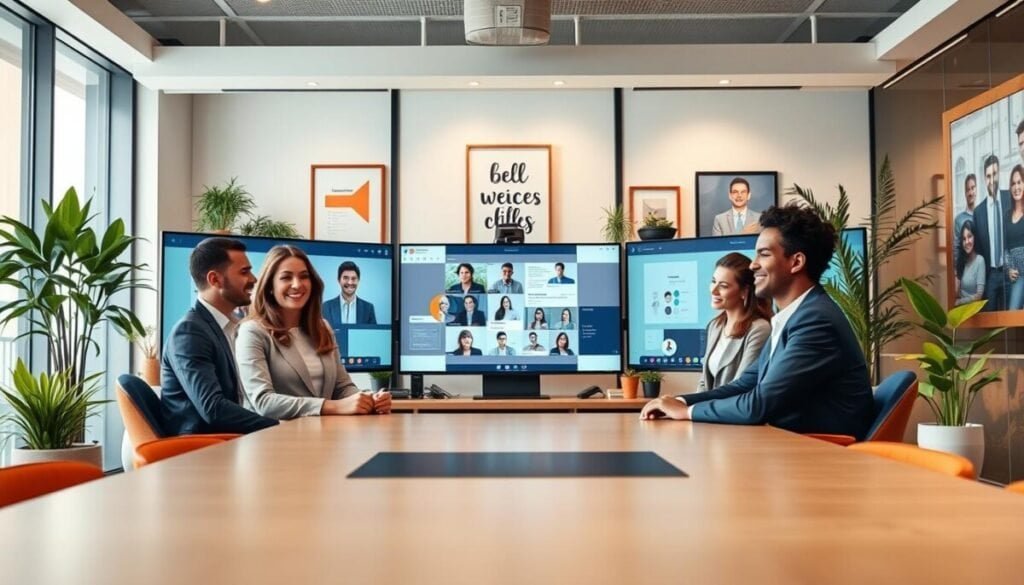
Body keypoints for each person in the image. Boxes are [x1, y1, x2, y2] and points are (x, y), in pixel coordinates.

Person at [640, 204, 874, 441]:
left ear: (796, 262)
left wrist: (686, 412)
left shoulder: (815, 321)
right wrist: (680, 402)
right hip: (792, 445)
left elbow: (759, 404)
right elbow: (744, 385)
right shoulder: (795, 316)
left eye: (763, 254)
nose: (753, 264)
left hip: (823, 453)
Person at [236, 246, 390, 420]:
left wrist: (367, 399)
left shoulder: (322, 327)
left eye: (304, 276)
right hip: (274, 439)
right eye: (286, 277)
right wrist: (331, 406)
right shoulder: (252, 331)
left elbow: (342, 386)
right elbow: (263, 402)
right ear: (270, 286)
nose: (297, 284)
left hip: (324, 436)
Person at [161, 238, 278, 435]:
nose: (254, 279)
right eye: (244, 272)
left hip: (230, 440)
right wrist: (277, 427)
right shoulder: (190, 332)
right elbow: (213, 408)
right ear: (215, 279)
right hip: (202, 451)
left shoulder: (228, 326)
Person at [696, 252, 772, 392]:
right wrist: (684, 407)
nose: (713, 290)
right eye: (713, 281)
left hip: (732, 411)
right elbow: (703, 383)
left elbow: (739, 387)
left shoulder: (759, 329)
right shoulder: (715, 326)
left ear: (744, 292)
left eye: (723, 286)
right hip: (708, 410)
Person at [973, 154, 1010, 311]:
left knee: (1014, 319)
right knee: (990, 326)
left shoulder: (1010, 199)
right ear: (984, 178)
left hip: (1010, 273)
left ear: (999, 173)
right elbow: (979, 250)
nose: (991, 180)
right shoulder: (978, 212)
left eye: (994, 174)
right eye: (988, 176)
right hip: (991, 276)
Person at [323, 261, 377, 329]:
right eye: (345, 278)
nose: (350, 282)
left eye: (353, 279)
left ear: (358, 281)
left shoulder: (368, 308)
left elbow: (372, 335)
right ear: (339, 280)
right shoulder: (326, 307)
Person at [1005, 165, 1024, 310]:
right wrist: (1009, 270)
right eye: (1013, 183)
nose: (1016, 187)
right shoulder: (1006, 215)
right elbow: (1006, 249)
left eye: (1019, 182)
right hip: (1018, 277)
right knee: (1012, 313)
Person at [955, 220, 986, 307]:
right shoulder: (961, 261)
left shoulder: (980, 260)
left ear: (975, 237)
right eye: (964, 239)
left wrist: (960, 302)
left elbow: (979, 295)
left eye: (969, 236)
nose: (967, 242)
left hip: (972, 310)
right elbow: (957, 292)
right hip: (959, 310)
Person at [953, 174, 978, 269]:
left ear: (976, 189)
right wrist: (957, 273)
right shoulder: (959, 219)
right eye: (968, 189)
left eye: (973, 188)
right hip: (966, 270)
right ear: (965, 193)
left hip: (983, 270)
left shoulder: (981, 214)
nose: (970, 192)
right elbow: (956, 248)